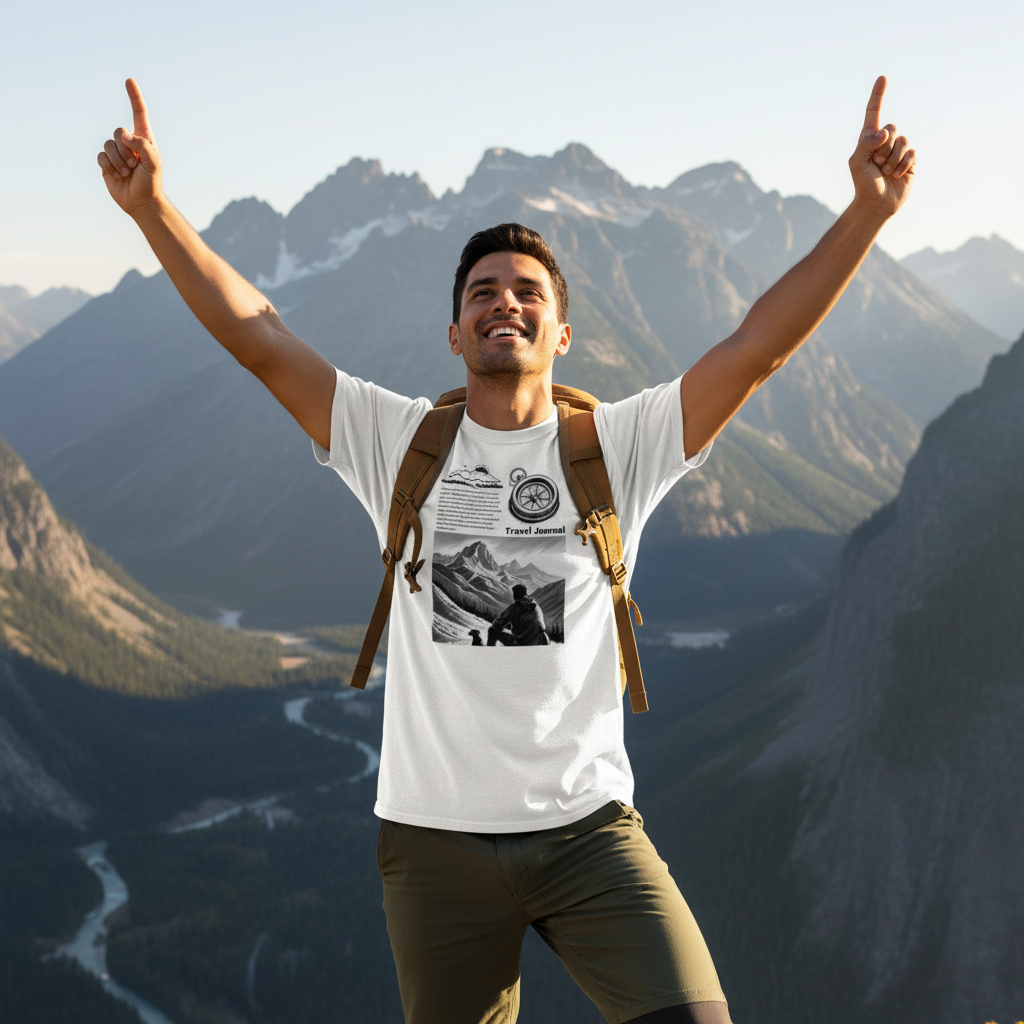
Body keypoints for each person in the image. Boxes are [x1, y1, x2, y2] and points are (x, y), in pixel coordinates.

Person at [98, 76, 916, 1024]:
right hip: (433, 844)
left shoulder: (618, 447)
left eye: (528, 292)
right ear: (454, 333)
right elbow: (262, 340)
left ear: (562, 333)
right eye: (483, 292)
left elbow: (755, 348)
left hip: (590, 835)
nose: (505, 303)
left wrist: (868, 212)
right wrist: (152, 210)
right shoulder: (398, 443)